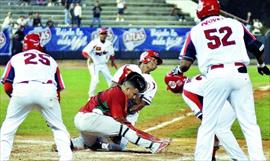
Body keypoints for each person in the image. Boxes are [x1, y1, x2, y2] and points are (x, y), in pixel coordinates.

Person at [171, 0, 270, 160]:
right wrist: (261, 64)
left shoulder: (196, 31)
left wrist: (177, 70)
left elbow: (185, 63)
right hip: (240, 74)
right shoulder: (234, 23)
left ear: (201, 10)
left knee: (208, 125)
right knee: (250, 125)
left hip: (216, 75)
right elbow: (258, 47)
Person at [0, 33, 72, 161]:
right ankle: (66, 158)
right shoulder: (50, 59)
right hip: (47, 90)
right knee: (59, 128)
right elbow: (58, 90)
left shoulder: (16, 57)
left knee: (7, 129)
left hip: (22, 90)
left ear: (25, 45)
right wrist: (53, 108)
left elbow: (7, 85)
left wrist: (16, 100)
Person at [69, 72, 170, 153]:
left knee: (92, 144)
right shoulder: (118, 94)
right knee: (123, 129)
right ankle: (154, 146)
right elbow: (122, 123)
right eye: (134, 93)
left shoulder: (117, 92)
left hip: (84, 121)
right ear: (127, 89)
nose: (135, 97)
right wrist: (154, 140)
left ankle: (69, 144)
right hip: (88, 120)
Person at [164, 73, 249, 161]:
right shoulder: (195, 78)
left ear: (173, 84)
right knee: (215, 129)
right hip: (236, 96)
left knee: (219, 129)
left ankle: (239, 158)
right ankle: (212, 157)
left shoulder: (186, 91)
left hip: (227, 102)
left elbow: (203, 116)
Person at [82, 28, 116, 97]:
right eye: (101, 34)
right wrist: (89, 57)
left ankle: (112, 95)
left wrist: (113, 62)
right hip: (94, 64)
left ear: (107, 35)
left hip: (103, 64)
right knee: (95, 80)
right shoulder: (94, 43)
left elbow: (112, 54)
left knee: (110, 79)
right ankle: (90, 96)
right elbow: (84, 52)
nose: (103, 35)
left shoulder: (109, 44)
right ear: (99, 35)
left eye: (104, 34)